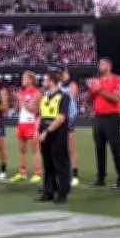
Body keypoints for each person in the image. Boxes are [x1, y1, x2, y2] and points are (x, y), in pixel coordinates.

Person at [87, 57, 120, 189]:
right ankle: (100, 177)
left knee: (116, 148)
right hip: (98, 117)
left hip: (112, 117)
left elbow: (116, 98)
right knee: (99, 148)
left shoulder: (117, 79)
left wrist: (99, 90)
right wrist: (91, 89)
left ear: (109, 66)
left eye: (102, 63)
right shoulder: (96, 81)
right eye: (99, 64)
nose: (100, 65)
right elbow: (88, 100)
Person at [36, 72, 72, 204]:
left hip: (57, 134)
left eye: (45, 80)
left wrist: (47, 131)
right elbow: (40, 116)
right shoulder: (44, 97)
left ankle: (62, 193)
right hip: (45, 133)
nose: (43, 82)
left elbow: (61, 117)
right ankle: (49, 191)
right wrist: (37, 130)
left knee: (60, 164)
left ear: (51, 81)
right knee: (48, 164)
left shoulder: (64, 97)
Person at [10, 71, 42, 183]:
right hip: (22, 123)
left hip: (32, 123)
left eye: (25, 78)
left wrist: (22, 100)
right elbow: (17, 110)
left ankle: (38, 173)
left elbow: (35, 110)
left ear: (31, 80)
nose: (22, 80)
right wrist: (17, 101)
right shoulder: (22, 92)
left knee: (35, 150)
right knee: (22, 150)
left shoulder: (36, 93)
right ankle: (22, 173)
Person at [59, 67, 80, 186]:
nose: (63, 75)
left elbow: (74, 94)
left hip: (69, 118)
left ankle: (75, 174)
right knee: (60, 148)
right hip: (60, 118)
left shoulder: (72, 85)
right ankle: (64, 172)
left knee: (71, 147)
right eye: (61, 73)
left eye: (65, 73)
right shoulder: (58, 86)